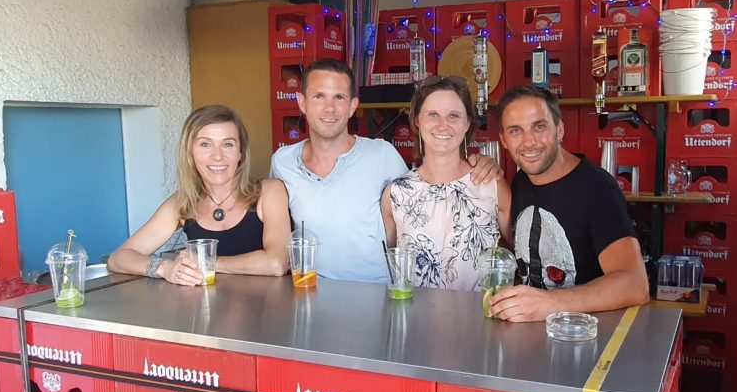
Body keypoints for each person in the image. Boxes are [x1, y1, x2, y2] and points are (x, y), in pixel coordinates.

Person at [271, 59, 500, 283]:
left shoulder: (383, 155)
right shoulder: (283, 162)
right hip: (310, 290)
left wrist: (479, 166)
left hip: (376, 294)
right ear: (302, 103)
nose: (329, 108)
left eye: (339, 97)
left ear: (353, 106)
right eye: (319, 96)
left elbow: (426, 201)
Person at [489, 86, 649, 322]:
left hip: (587, 334)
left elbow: (635, 284)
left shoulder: (597, 189)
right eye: (516, 131)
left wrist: (550, 304)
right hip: (533, 332)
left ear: (560, 129)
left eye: (539, 127)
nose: (529, 142)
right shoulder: (521, 180)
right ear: (504, 140)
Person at [108, 105, 291, 285]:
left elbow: (277, 263)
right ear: (190, 153)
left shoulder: (269, 191)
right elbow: (118, 258)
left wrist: (207, 261)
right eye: (205, 144)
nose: (217, 156)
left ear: (240, 153)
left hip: (266, 305)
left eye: (228, 144)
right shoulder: (183, 201)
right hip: (206, 304)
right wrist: (165, 268)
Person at [382, 76, 512, 290]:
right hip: (415, 311)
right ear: (417, 121)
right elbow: (387, 268)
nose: (443, 125)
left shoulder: (491, 185)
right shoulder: (395, 194)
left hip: (477, 311)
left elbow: (524, 254)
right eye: (433, 114)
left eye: (454, 116)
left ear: (467, 123)